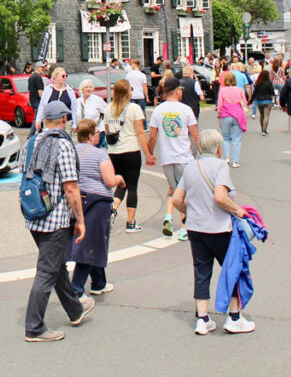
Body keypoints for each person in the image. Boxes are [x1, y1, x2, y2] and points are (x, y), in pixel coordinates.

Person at [171, 129, 255, 336]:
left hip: (195, 227)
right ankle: (234, 316)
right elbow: (220, 197)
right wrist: (238, 211)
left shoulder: (191, 166)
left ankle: (203, 319)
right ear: (218, 148)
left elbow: (176, 199)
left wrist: (188, 214)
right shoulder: (220, 166)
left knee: (201, 271)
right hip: (219, 228)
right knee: (232, 268)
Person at [22, 101, 91, 342]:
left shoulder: (32, 142)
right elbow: (71, 187)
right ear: (63, 119)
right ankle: (34, 327)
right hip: (55, 218)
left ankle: (75, 310)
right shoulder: (62, 145)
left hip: (33, 214)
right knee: (47, 271)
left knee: (57, 265)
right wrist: (80, 220)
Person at [68, 119, 124, 297]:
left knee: (94, 241)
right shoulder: (100, 155)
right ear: (91, 135)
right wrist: (120, 179)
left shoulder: (71, 151)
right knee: (91, 244)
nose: (100, 134)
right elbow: (109, 180)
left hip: (76, 198)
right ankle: (76, 288)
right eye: (97, 132)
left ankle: (99, 282)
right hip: (97, 200)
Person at [148, 77, 198, 241]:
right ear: (177, 91)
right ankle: (184, 227)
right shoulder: (186, 110)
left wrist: (150, 154)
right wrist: (202, 153)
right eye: (181, 90)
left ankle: (169, 216)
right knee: (186, 193)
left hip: (167, 159)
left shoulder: (158, 110)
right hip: (184, 156)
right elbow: (195, 134)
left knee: (172, 189)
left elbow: (153, 135)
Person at [105, 78, 154, 233]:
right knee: (132, 186)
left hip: (114, 152)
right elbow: (140, 132)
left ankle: (112, 208)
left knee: (120, 183)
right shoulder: (134, 108)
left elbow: (107, 131)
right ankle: (130, 222)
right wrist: (148, 154)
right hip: (131, 150)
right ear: (128, 92)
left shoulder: (108, 109)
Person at [34, 67, 80, 134]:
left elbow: (74, 108)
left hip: (66, 122)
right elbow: (42, 106)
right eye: (63, 76)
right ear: (55, 77)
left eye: (66, 76)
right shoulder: (48, 89)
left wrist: (75, 123)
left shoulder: (69, 90)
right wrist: (38, 120)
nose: (65, 78)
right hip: (50, 121)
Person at [216, 72, 247, 168]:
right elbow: (245, 102)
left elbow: (219, 104)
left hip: (226, 114)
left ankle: (226, 159)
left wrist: (219, 114)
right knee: (236, 139)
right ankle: (235, 161)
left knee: (225, 138)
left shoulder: (222, 90)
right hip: (237, 114)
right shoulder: (240, 90)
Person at [76, 79, 108, 146]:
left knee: (92, 151)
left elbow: (108, 112)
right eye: (87, 87)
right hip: (83, 132)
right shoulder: (78, 101)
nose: (89, 89)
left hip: (95, 132)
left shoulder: (97, 100)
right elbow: (75, 115)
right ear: (82, 89)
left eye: (90, 87)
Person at [126, 59, 149, 127]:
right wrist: (146, 96)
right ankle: (144, 126)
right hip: (140, 95)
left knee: (131, 112)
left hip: (132, 95)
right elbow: (144, 86)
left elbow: (127, 85)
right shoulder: (142, 75)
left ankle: (132, 126)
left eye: (132, 64)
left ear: (135, 65)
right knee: (142, 111)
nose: (131, 66)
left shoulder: (129, 75)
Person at [252, 69, 274, 136]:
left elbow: (255, 93)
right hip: (268, 101)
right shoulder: (269, 83)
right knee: (266, 116)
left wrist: (250, 101)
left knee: (262, 115)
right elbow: (272, 92)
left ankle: (262, 128)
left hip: (260, 101)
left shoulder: (258, 83)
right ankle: (264, 130)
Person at [27, 61, 47, 134]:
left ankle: (40, 132)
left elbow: (30, 90)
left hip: (33, 100)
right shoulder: (38, 78)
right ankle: (31, 134)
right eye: (42, 67)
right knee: (37, 118)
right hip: (37, 101)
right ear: (37, 68)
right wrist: (44, 101)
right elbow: (40, 91)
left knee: (38, 118)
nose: (43, 69)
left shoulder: (31, 77)